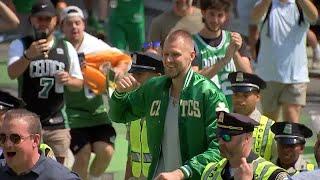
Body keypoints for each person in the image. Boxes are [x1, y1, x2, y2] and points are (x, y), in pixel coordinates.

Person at [109, 30, 229, 179]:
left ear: (192, 56)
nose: (169, 60)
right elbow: (118, 115)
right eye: (165, 54)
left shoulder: (209, 93)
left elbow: (221, 147)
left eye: (175, 54)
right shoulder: (154, 88)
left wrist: (183, 173)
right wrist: (119, 93)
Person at [7, 0, 83, 164]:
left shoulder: (66, 47)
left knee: (58, 172)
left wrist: (68, 80)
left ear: (55, 21)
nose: (43, 23)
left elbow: (79, 84)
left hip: (58, 124)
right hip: (27, 124)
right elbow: (12, 73)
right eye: (39, 19)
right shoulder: (20, 45)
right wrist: (28, 55)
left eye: (47, 19)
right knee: (27, 169)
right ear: (31, 20)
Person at [60, 5, 131, 180]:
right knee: (82, 154)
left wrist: (118, 72)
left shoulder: (96, 46)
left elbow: (124, 59)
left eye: (77, 23)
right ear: (62, 27)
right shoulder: (58, 48)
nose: (74, 27)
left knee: (106, 151)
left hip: (98, 114)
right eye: (69, 24)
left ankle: (91, 178)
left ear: (84, 24)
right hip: (71, 115)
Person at [251, 0, 318, 123]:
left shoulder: (300, 5)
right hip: (268, 76)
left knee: (291, 123)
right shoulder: (267, 4)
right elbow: (254, 17)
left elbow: (314, 16)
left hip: (296, 77)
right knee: (270, 122)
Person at [192, 0, 252, 109]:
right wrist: (224, 60)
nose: (215, 20)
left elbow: (249, 77)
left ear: (226, 16)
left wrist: (234, 53)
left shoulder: (234, 39)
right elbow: (193, 80)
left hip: (232, 111)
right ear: (203, 12)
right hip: (204, 110)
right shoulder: (192, 43)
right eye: (211, 14)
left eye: (220, 15)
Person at [201, 111, 289, 180]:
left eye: (226, 137)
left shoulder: (273, 175)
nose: (220, 142)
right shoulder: (209, 172)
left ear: (246, 138)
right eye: (218, 136)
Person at [0, 108, 80, 179]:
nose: (7, 144)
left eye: (15, 138)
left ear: (35, 140)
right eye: (2, 138)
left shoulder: (61, 177)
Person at [124, 52, 164, 179]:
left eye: (139, 74)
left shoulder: (168, 107)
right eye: (133, 74)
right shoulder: (134, 107)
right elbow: (131, 152)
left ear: (158, 77)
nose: (134, 79)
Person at [228, 71, 277, 162]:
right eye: (236, 95)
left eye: (245, 96)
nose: (239, 100)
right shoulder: (222, 123)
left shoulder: (270, 128)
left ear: (258, 97)